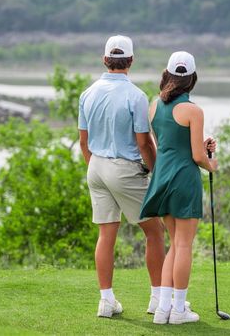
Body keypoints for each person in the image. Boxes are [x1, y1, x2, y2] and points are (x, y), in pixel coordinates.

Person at [78, 35, 166, 318]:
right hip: (123, 168)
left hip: (96, 167)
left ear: (105, 59)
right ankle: (157, 299)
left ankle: (106, 301)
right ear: (130, 61)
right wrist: (156, 172)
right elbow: (144, 143)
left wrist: (98, 168)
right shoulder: (136, 95)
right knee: (155, 231)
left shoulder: (87, 93)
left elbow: (83, 142)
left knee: (106, 233)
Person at [139, 51, 217, 325]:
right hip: (184, 178)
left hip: (162, 176)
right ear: (192, 78)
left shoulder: (153, 105)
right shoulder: (193, 110)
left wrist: (197, 147)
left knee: (175, 244)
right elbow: (197, 156)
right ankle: (179, 310)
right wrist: (212, 164)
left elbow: (167, 144)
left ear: (167, 74)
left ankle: (163, 308)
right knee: (183, 245)